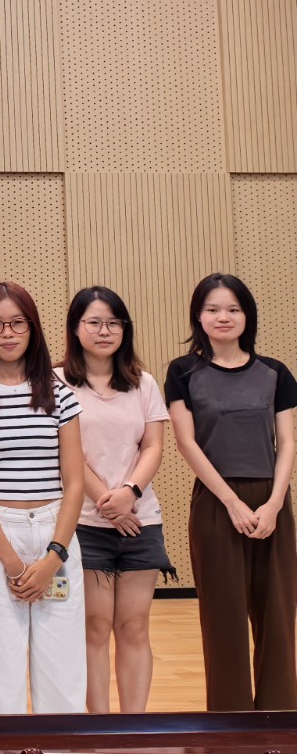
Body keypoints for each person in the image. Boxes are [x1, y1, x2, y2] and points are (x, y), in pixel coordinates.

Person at [165, 273, 297, 711]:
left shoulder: (275, 372)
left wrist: (274, 503)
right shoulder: (183, 372)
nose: (223, 317)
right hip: (216, 501)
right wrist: (232, 502)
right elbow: (187, 443)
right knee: (223, 619)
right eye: (213, 309)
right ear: (198, 316)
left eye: (233, 309)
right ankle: (229, 721)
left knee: (279, 616)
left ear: (247, 316)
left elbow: (287, 442)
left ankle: (279, 716)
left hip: (272, 499)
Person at [0, 281, 85, 714]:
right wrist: (11, 562)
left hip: (54, 531)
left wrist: (53, 557)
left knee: (62, 668)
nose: (7, 333)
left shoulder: (60, 394)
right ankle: (1, 744)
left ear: (33, 329)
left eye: (17, 323)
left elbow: (75, 482)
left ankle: (62, 744)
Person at [56, 286, 173, 713]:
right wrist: (107, 501)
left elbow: (153, 446)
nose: (104, 331)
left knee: (134, 626)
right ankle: (99, 727)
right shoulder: (55, 382)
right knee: (94, 625)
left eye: (113, 323)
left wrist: (129, 493)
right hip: (84, 523)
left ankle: (133, 726)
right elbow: (64, 451)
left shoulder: (143, 382)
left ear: (125, 329)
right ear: (76, 328)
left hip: (140, 520)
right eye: (94, 322)